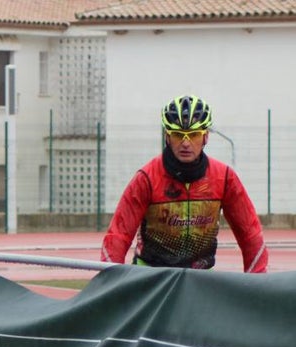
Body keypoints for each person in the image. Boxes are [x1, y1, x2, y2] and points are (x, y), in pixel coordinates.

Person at [101, 94, 268, 272]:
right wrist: (110, 284)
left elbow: (250, 235)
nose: (186, 143)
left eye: (194, 135)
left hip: (201, 279)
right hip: (151, 276)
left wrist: (256, 284)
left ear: (205, 137)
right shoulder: (146, 178)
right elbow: (118, 235)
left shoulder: (224, 177)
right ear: (167, 137)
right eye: (178, 135)